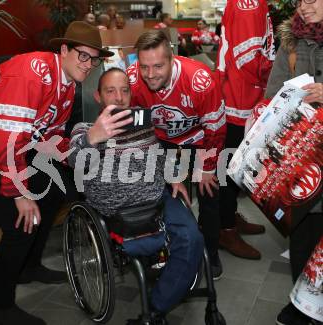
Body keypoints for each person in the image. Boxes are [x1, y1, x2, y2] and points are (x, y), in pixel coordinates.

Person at [0, 21, 113, 325]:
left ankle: (28, 267)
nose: (89, 64)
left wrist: (85, 156)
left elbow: (48, 139)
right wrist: (20, 192)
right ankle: (0, 307)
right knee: (20, 222)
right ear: (64, 50)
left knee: (53, 192)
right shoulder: (33, 72)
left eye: (94, 59)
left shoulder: (67, 86)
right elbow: (8, 139)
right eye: (83, 55)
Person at [68, 67, 204, 324]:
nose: (119, 98)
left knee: (193, 238)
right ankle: (160, 304)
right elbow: (74, 162)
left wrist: (174, 174)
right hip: (117, 211)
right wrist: (93, 138)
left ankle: (156, 308)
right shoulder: (84, 128)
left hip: (157, 200)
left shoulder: (143, 122)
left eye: (124, 91)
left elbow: (159, 155)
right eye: (111, 91)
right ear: (98, 97)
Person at [127, 30, 226, 280]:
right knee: (153, 190)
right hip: (160, 140)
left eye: (158, 66)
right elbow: (134, 130)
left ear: (173, 59)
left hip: (200, 139)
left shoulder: (200, 80)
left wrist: (207, 168)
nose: (150, 75)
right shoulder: (131, 81)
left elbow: (215, 127)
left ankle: (211, 253)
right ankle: (162, 250)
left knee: (210, 192)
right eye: (144, 67)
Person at [262, 1, 323, 323]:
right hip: (301, 160)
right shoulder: (291, 43)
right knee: (302, 236)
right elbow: (273, 96)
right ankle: (302, 303)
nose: (305, 6)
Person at [216, 0, 275, 260]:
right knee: (231, 165)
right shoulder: (247, 3)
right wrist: (275, 72)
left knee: (235, 165)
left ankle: (228, 219)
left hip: (241, 94)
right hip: (240, 98)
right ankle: (225, 228)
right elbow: (248, 56)